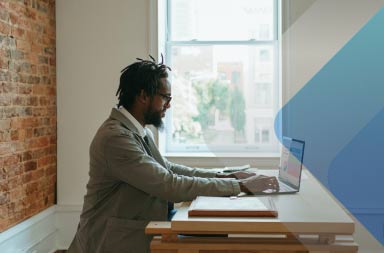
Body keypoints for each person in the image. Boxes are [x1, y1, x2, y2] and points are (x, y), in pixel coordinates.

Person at [67, 56, 279, 253]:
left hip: (130, 232)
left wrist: (226, 177)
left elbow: (169, 169)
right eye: (165, 97)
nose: (169, 104)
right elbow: (169, 184)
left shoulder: (138, 131)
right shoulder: (115, 138)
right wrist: (240, 186)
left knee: (213, 237)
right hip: (107, 243)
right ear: (143, 96)